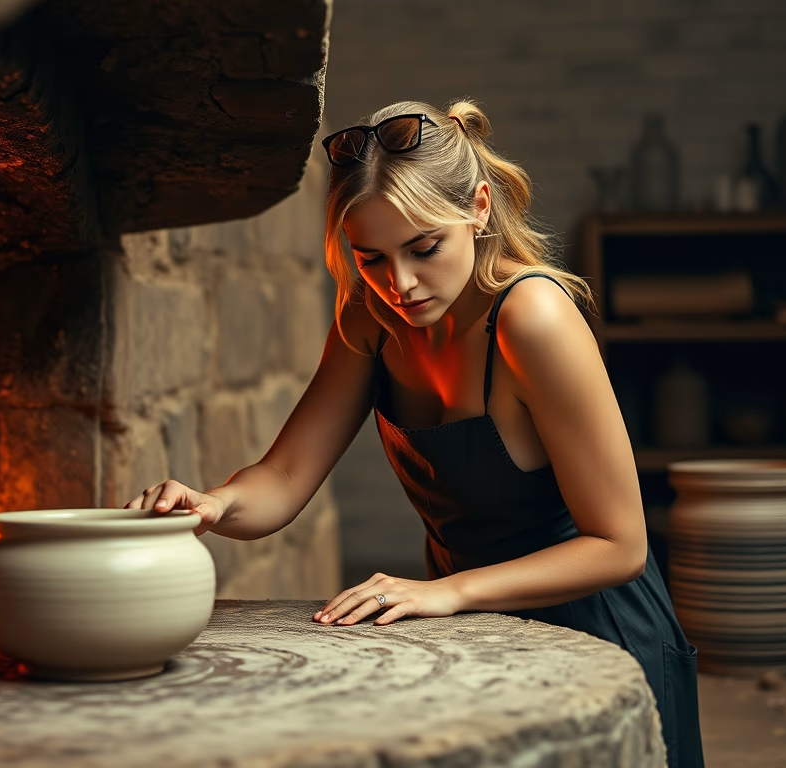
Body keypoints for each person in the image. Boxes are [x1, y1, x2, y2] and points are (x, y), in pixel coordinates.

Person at [126, 98, 704, 768]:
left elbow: (620, 545)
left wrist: (443, 593)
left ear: (479, 209)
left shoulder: (533, 318)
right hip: (473, 634)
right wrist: (214, 504)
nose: (399, 283)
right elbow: (283, 479)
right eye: (370, 257)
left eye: (424, 248)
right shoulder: (370, 318)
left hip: (600, 634)